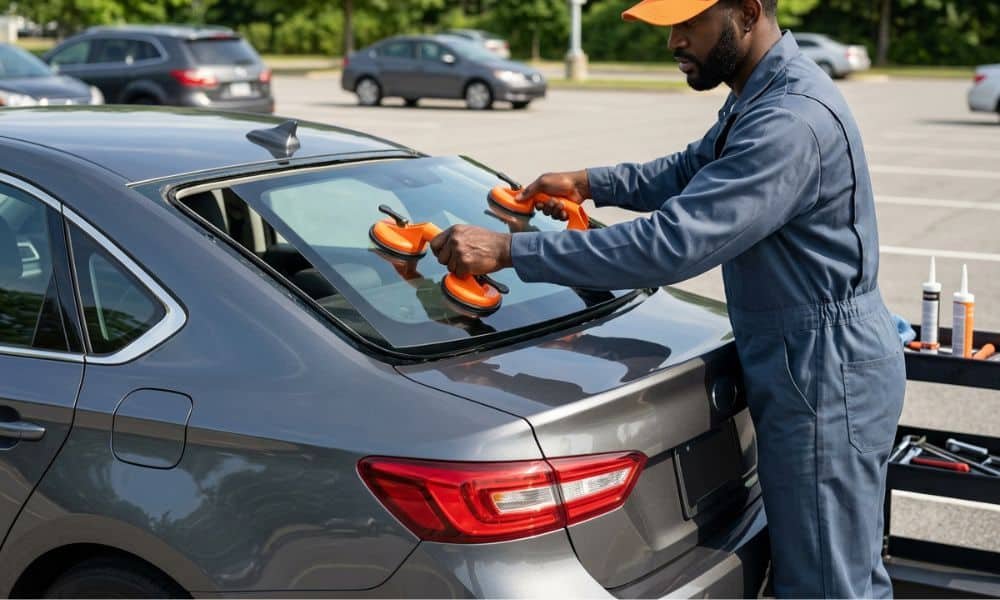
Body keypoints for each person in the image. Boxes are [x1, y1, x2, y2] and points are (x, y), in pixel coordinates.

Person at [430, 0, 906, 597]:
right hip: (805, 359)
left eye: (689, 25)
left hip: (823, 368)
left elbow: (674, 244)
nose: (674, 42)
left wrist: (510, 252)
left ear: (748, 12)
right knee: (831, 568)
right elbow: (693, 168)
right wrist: (591, 182)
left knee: (829, 585)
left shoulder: (790, 120)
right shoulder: (763, 91)